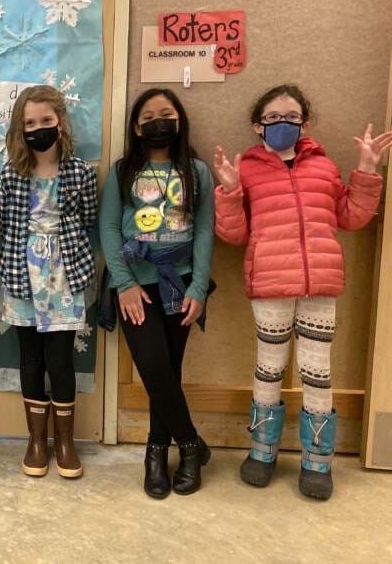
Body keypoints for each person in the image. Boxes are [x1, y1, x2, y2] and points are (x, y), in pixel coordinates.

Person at [213, 84, 390, 500]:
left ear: (304, 123)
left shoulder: (323, 167)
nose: (282, 124)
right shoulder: (249, 169)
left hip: (319, 286)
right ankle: (262, 450)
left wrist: (367, 171)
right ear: (258, 126)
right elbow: (235, 233)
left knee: (318, 373)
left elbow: (351, 217)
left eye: (291, 117)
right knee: (268, 369)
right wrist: (229, 190)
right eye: (272, 118)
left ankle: (317, 459)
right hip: (270, 284)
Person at [99, 88, 214, 498]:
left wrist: (199, 288)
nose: (158, 121)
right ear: (136, 126)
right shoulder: (122, 171)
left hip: (180, 282)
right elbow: (109, 229)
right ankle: (189, 445)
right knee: (152, 364)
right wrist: (125, 284)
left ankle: (158, 452)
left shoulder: (197, 171)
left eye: (166, 114)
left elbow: (204, 232)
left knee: (168, 369)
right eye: (149, 115)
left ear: (179, 121)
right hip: (134, 283)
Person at [0, 85, 97, 479]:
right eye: (30, 123)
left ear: (60, 122)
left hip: (65, 273)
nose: (39, 129)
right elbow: (2, 223)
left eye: (46, 121)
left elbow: (87, 217)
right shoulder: (9, 174)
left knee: (60, 360)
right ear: (21, 128)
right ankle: (37, 441)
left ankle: (65, 442)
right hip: (23, 273)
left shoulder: (79, 172)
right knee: (30, 359)